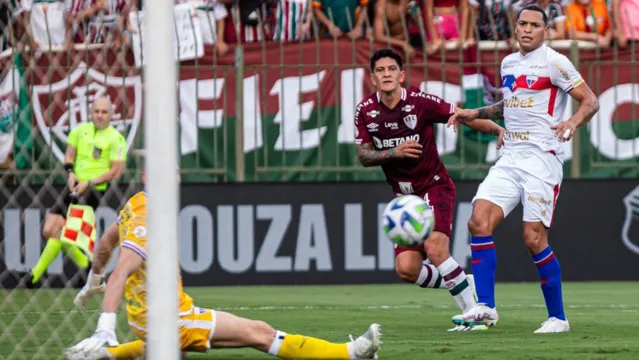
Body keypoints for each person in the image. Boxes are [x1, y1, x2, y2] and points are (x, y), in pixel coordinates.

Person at [65, 160, 382, 360]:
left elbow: (106, 243)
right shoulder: (149, 216)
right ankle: (351, 354)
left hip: (145, 319)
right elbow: (122, 269)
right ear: (150, 176)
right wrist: (105, 325)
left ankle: (105, 355)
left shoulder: (136, 203)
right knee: (260, 332)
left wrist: (93, 280)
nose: (173, 176)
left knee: (163, 350)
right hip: (171, 318)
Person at [448, 4, 599, 333]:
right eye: (523, 24)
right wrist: (473, 113)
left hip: (541, 161)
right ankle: (485, 307)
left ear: (545, 32)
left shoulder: (556, 62)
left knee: (533, 239)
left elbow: (590, 100)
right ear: (515, 29)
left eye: (535, 25)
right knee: (478, 221)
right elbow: (509, 104)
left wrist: (571, 122)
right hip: (510, 156)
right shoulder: (509, 63)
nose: (528, 29)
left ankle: (558, 318)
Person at [354, 48, 505, 331]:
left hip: (433, 185)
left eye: (391, 69)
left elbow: (461, 116)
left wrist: (496, 129)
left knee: (436, 249)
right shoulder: (365, 111)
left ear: (401, 75)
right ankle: (461, 279)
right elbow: (363, 155)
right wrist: (394, 153)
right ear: (373, 78)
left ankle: (475, 314)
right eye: (380, 70)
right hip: (404, 198)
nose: (386, 74)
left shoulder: (419, 102)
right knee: (407, 269)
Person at [28, 95, 127, 286]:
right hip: (73, 185)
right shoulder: (80, 131)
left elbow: (116, 171)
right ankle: (87, 264)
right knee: (50, 230)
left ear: (111, 114)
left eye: (104, 112)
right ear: (91, 112)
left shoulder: (116, 139)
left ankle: (33, 275)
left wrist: (88, 183)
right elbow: (69, 155)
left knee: (65, 232)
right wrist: (70, 173)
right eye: (96, 111)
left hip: (94, 190)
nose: (99, 115)